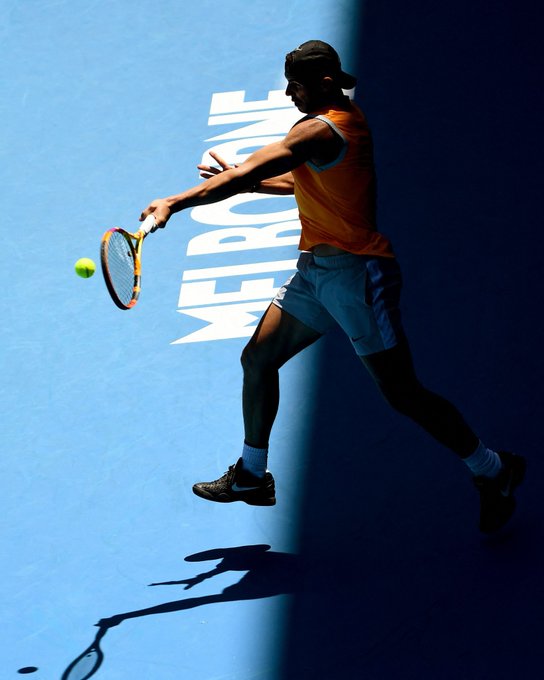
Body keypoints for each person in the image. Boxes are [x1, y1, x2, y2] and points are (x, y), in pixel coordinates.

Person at [140, 40, 525, 533]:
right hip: (316, 274)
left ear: (322, 83)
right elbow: (300, 181)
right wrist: (246, 181)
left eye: (295, 85)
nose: (287, 94)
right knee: (257, 358)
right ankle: (252, 475)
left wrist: (176, 201)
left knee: (403, 394)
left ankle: (494, 469)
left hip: (358, 277)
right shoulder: (331, 122)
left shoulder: (324, 128)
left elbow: (255, 169)